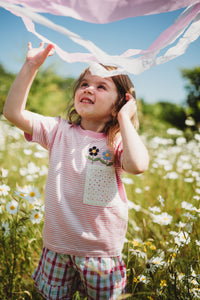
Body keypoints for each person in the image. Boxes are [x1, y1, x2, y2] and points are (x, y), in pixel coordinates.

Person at [3, 42, 149, 300]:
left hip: (101, 254)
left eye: (101, 86)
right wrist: (31, 66)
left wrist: (125, 119)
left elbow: (137, 165)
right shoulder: (58, 131)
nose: (89, 88)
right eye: (84, 84)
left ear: (119, 104)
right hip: (56, 248)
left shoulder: (115, 143)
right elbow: (13, 112)